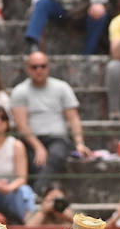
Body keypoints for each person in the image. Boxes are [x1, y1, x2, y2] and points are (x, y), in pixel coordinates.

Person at [11, 52, 90, 191]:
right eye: (34, 67)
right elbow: (21, 124)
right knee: (37, 163)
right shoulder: (19, 91)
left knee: (56, 155)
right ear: (28, 69)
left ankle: (36, 192)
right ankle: (40, 192)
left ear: (48, 67)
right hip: (30, 140)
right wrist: (38, 147)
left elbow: (73, 118)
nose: (39, 70)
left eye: (43, 66)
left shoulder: (62, 87)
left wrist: (79, 143)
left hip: (57, 138)